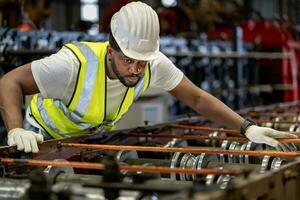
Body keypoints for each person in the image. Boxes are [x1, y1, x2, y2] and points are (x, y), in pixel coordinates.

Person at [0, 1, 297, 153]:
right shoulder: (71, 65)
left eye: (142, 61)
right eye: (128, 59)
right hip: (40, 141)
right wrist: (16, 131)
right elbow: (9, 82)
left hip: (85, 143)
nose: (136, 69)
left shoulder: (151, 62)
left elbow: (195, 97)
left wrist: (247, 128)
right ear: (111, 49)